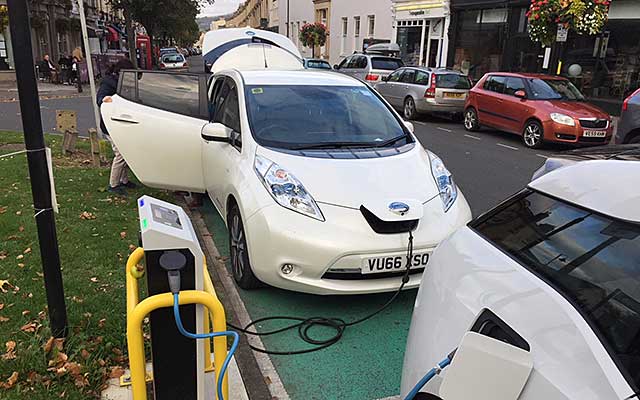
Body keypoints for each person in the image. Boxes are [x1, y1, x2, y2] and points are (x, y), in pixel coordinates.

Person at [97, 58, 135, 195]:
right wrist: (104, 100)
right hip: (110, 125)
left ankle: (124, 181)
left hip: (119, 123)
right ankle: (113, 184)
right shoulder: (108, 83)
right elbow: (100, 98)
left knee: (123, 152)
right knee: (121, 154)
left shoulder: (120, 81)